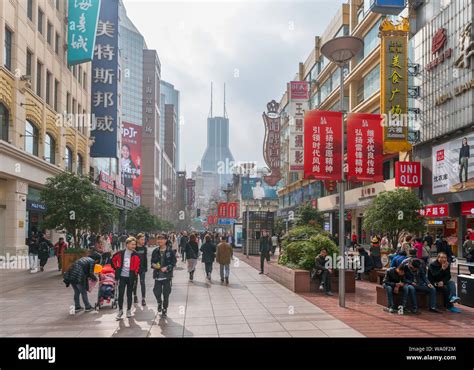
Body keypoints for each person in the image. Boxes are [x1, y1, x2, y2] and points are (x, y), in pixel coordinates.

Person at [112, 237, 141, 320]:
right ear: (127, 244)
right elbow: (112, 260)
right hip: (122, 277)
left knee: (129, 294)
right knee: (121, 294)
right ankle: (120, 310)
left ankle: (128, 310)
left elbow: (139, 265)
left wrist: (135, 272)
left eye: (135, 244)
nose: (134, 246)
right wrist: (116, 268)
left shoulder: (136, 254)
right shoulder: (120, 253)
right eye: (132, 244)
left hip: (131, 277)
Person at [151, 234, 177, 317]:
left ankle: (165, 308)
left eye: (162, 239)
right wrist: (154, 265)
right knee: (156, 292)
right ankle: (159, 302)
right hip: (158, 276)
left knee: (166, 294)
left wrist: (167, 267)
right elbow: (152, 262)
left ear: (166, 240)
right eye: (158, 239)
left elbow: (174, 263)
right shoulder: (155, 251)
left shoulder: (170, 251)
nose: (159, 241)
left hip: (167, 276)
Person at [133, 233, 148, 306]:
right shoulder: (134, 248)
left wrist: (145, 268)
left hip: (142, 269)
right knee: (135, 283)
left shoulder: (144, 248)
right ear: (138, 240)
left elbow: (145, 259)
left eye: (144, 239)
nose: (143, 241)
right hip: (135, 269)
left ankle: (143, 299)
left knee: (142, 282)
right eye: (142, 239)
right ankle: (135, 296)